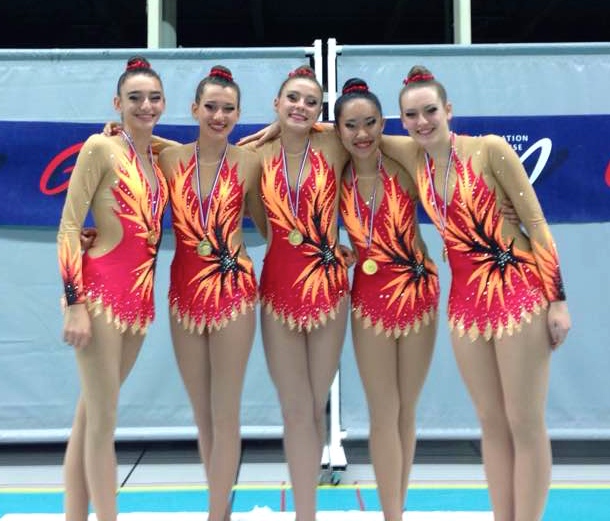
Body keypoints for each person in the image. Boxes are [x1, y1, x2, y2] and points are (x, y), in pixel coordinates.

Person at [381, 65, 571, 521]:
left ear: (448, 110)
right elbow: (351, 132)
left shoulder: (489, 149)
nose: (422, 122)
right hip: (466, 304)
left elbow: (536, 223)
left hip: (518, 291)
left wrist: (558, 298)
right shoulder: (414, 156)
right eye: (412, 115)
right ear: (402, 121)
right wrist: (282, 128)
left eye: (430, 111)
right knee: (490, 421)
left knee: (524, 421)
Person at [57, 56, 168, 521]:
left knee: (89, 419)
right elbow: (68, 227)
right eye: (135, 98)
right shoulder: (99, 148)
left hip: (138, 303)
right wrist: (74, 304)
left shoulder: (155, 157)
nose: (146, 106)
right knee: (103, 424)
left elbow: (201, 147)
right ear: (117, 102)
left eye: (154, 98)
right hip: (100, 296)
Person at [242, 65, 351, 521]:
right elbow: (194, 153)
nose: (301, 107)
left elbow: (377, 133)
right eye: (293, 98)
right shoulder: (253, 154)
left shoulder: (334, 144)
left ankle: (308, 511)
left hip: (329, 289)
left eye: (311, 102)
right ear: (276, 102)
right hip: (278, 286)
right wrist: (121, 133)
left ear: (321, 110)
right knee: (293, 409)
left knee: (314, 403)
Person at [157, 65, 266, 521]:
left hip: (233, 289)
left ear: (239, 114)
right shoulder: (168, 159)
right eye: (211, 107)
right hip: (183, 291)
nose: (218, 116)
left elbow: (270, 226)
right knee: (202, 414)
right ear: (194, 109)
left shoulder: (250, 162)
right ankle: (219, 506)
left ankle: (216, 514)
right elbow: (131, 152)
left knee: (225, 411)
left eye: (228, 109)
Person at [335, 78, 440, 520]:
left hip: (417, 290)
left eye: (371, 123)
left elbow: (454, 165)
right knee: (383, 411)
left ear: (384, 124)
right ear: (337, 129)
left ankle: (397, 510)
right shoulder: (333, 174)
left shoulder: (405, 164)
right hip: (369, 298)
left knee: (406, 410)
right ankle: (390, 513)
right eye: (351, 125)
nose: (362, 134)